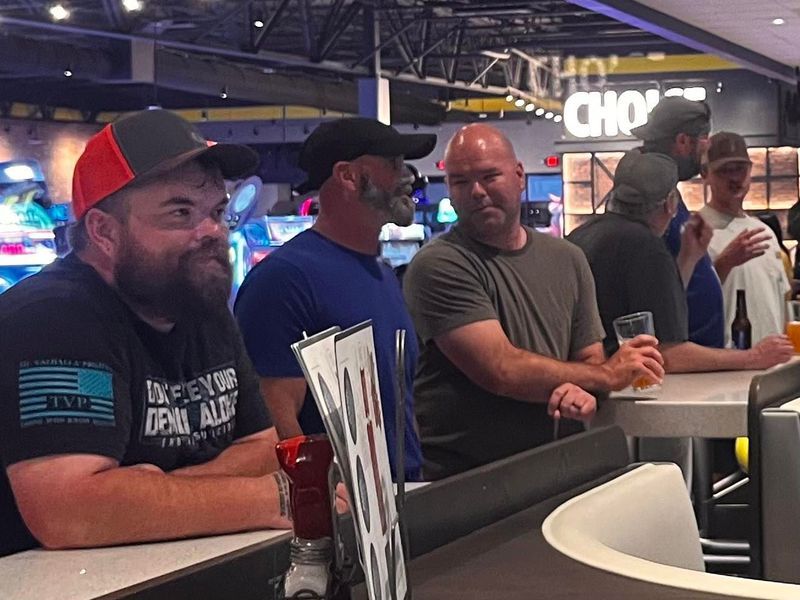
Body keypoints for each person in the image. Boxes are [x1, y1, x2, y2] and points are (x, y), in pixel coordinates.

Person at [0, 109, 293, 558]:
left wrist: (150, 493)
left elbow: (262, 447)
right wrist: (273, 497)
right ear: (104, 231)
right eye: (180, 213)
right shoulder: (54, 318)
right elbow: (69, 512)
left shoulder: (198, 302)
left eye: (216, 211)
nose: (211, 231)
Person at [402, 124, 664, 480]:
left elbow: (587, 358)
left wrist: (584, 391)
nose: (477, 192)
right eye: (461, 182)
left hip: (558, 467)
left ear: (519, 176)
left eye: (489, 176)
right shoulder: (439, 264)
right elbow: (500, 369)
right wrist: (604, 376)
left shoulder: (568, 257)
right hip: (468, 481)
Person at [235, 118, 434, 481]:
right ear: (348, 176)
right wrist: (325, 507)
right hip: (344, 516)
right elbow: (277, 426)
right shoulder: (285, 280)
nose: (407, 176)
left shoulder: (383, 273)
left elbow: (400, 406)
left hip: (403, 504)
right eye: (393, 164)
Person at [568, 150, 793, 371]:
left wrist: (688, 257)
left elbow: (658, 311)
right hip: (625, 393)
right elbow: (668, 354)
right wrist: (753, 357)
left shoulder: (581, 235)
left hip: (577, 385)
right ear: (670, 204)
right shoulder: (648, 247)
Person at [630, 97, 726, 348]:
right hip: (677, 361)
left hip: (689, 358)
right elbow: (652, 298)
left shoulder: (666, 193)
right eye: (704, 138)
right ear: (683, 141)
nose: (707, 149)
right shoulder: (652, 201)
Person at [699, 132, 791, 347]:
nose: (734, 177)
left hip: (774, 367)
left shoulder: (765, 232)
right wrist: (724, 264)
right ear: (706, 174)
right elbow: (685, 305)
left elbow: (782, 305)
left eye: (740, 168)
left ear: (750, 171)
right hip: (725, 367)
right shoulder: (694, 233)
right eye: (724, 170)